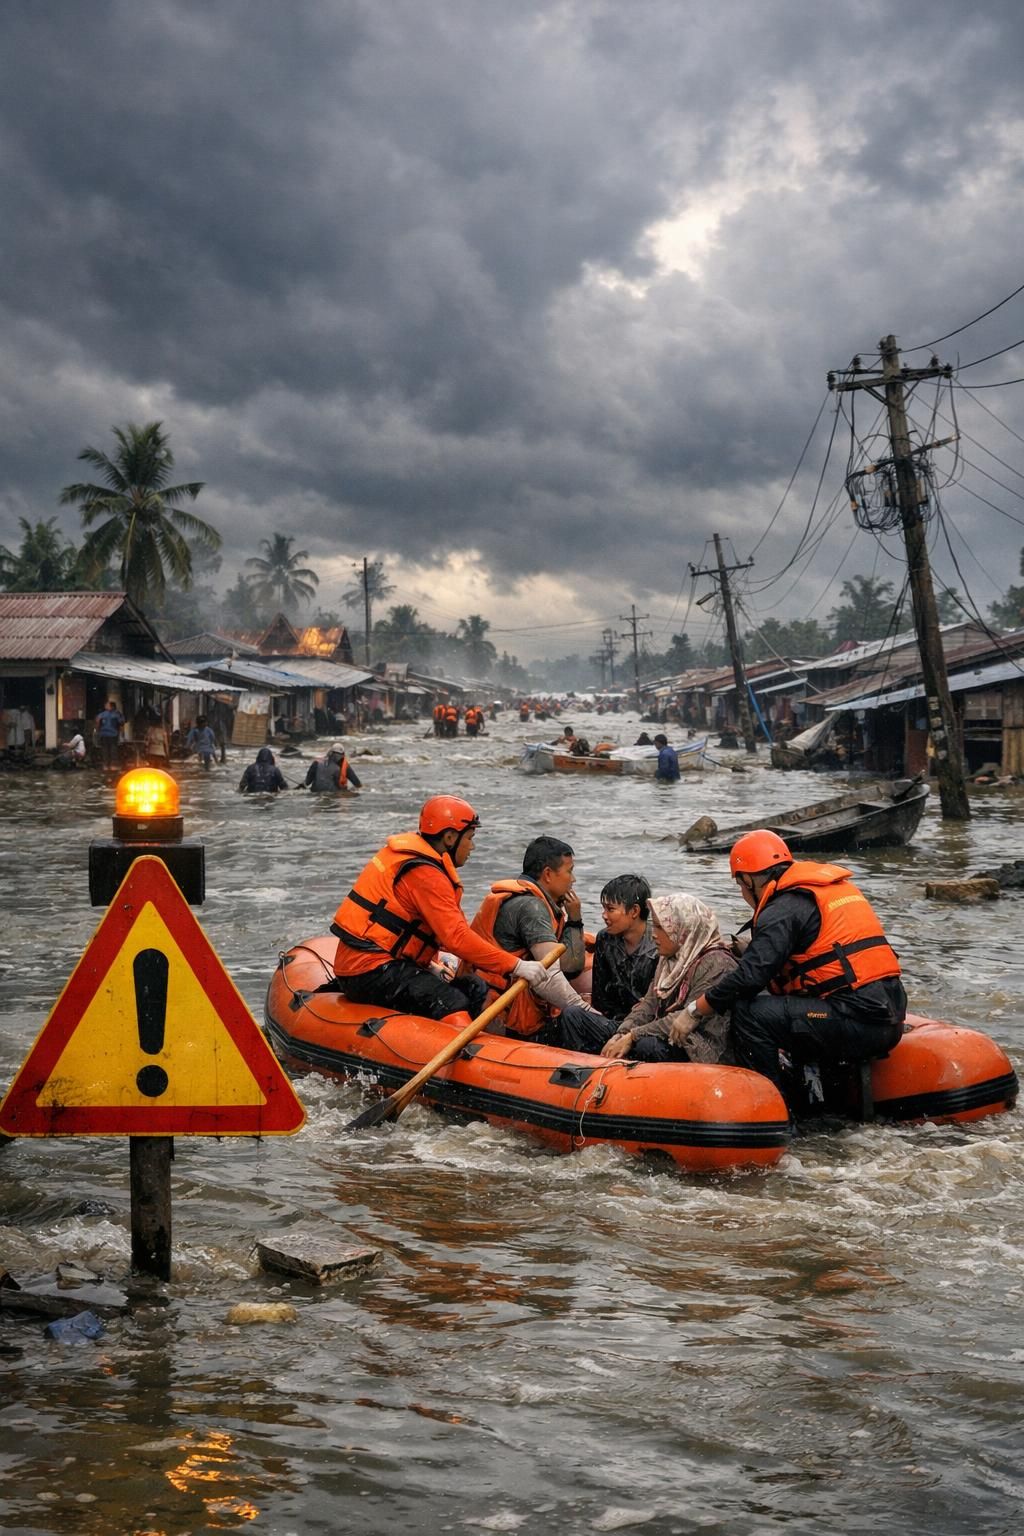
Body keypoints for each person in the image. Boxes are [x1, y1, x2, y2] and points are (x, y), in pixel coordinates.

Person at [684, 830, 906, 1111]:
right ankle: (818, 1102)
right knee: (790, 1008)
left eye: (740, 885)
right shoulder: (824, 890)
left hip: (857, 1024)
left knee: (750, 1014)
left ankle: (774, 1111)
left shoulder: (782, 909)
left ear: (748, 880)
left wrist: (696, 1010)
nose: (742, 894)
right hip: (890, 1017)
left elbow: (750, 978)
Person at [330, 795, 553, 1024]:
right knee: (452, 1001)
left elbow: (442, 932)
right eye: (470, 838)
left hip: (381, 963)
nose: (472, 846)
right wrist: (516, 965)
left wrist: (432, 965)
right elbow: (456, 937)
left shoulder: (420, 863)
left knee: (473, 987)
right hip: (369, 970)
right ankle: (464, 1054)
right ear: (449, 837)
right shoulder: (426, 875)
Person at [464, 835, 616, 1052]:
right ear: (547, 874)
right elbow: (548, 976)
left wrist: (574, 920)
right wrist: (585, 1012)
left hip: (507, 1013)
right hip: (507, 1025)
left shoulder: (538, 903)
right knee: (579, 1021)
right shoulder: (530, 908)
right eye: (569, 871)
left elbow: (570, 967)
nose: (573, 880)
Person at [602, 894, 736, 1063]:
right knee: (575, 1017)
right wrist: (622, 1033)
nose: (653, 935)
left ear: (683, 930)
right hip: (664, 1033)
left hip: (701, 1048)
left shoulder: (717, 964)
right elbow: (649, 1004)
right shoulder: (669, 958)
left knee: (646, 1045)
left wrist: (633, 1035)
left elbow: (685, 1016)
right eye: (654, 927)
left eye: (660, 928)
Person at [591, 874, 659, 1024]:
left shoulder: (658, 946)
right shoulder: (604, 939)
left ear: (634, 911)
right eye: (603, 909)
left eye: (610, 909)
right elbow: (599, 996)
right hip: (611, 1020)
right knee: (572, 1015)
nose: (604, 916)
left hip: (645, 1025)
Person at [94, 700, 124, 769]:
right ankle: (113, 765)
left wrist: (98, 731)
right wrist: (122, 734)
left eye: (107, 705)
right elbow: (121, 723)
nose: (105, 706)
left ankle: (106, 765)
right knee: (113, 750)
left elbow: (97, 722)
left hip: (105, 734)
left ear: (112, 706)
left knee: (105, 750)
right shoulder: (117, 714)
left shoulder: (102, 714)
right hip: (113, 735)